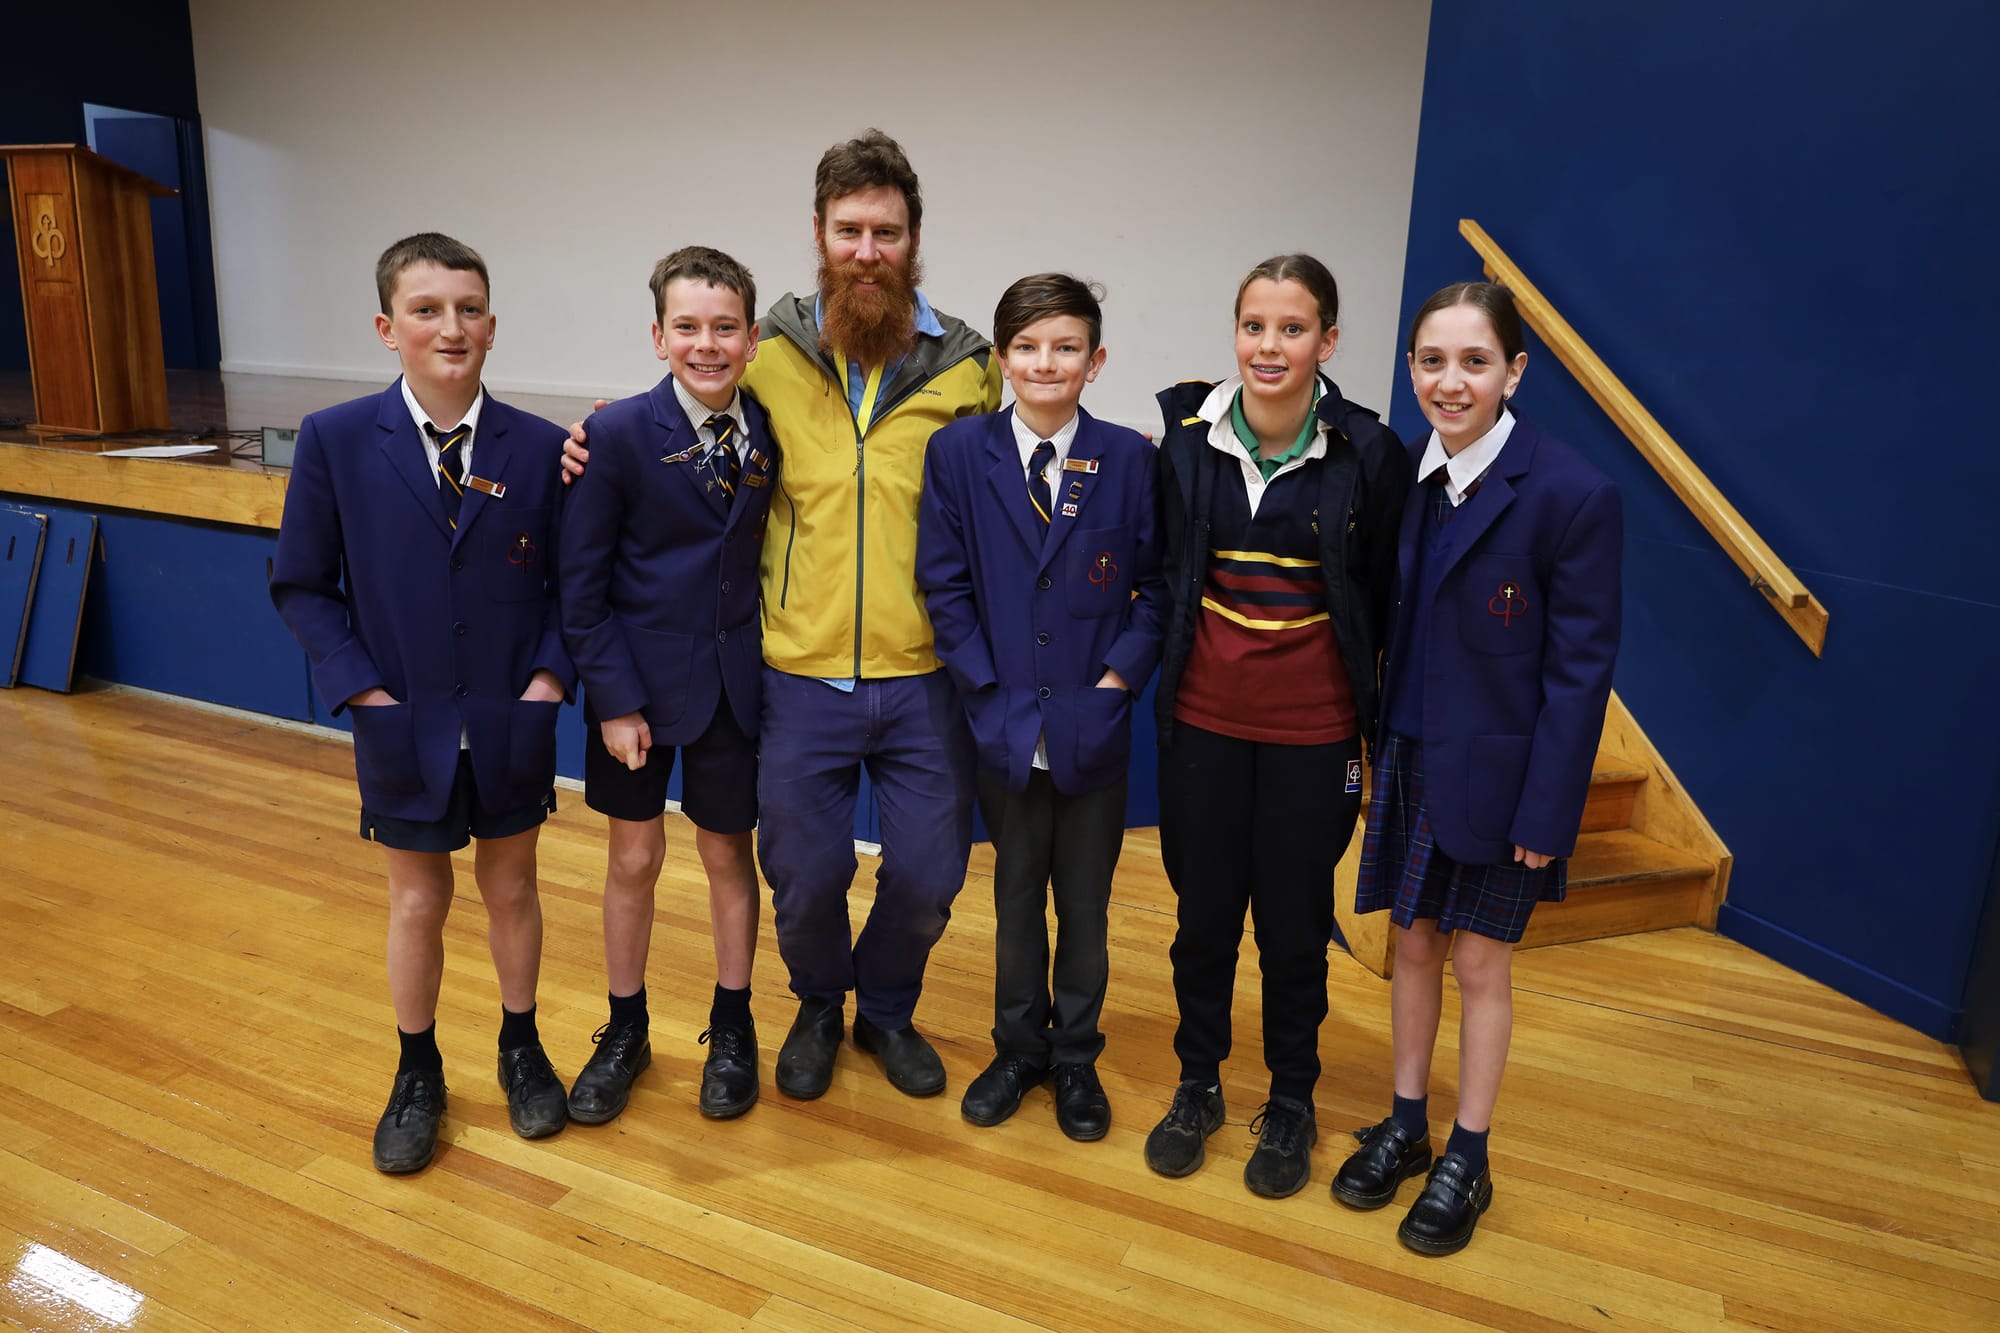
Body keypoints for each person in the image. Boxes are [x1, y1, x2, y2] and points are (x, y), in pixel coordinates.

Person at [563, 130, 1001, 1100]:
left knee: (928, 873)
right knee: (801, 874)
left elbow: (1011, 469)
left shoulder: (969, 365)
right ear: (819, 233)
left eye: (885, 231)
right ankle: (816, 1004)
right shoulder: (770, 351)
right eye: (848, 230)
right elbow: (685, 395)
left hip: (924, 671)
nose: (866, 250)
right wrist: (588, 436)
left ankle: (884, 1009)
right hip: (796, 670)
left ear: (913, 238)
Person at [270, 232, 574, 1173]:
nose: (452, 327)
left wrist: (549, 680)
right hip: (401, 718)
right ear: (386, 327)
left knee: (512, 887)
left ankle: (520, 1046)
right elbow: (302, 584)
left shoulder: (541, 448)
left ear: (493, 325)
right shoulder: (334, 440)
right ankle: (417, 1069)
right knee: (417, 898)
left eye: (469, 309)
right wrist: (363, 689)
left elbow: (573, 585)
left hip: (510, 717)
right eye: (427, 310)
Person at [1331, 280, 1621, 1255]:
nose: (1449, 382)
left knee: (1478, 963)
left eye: (1473, 362)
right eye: (1430, 361)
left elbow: (1579, 675)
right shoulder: (1411, 478)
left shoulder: (1572, 493)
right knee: (1410, 946)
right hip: (1412, 756)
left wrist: (1548, 812)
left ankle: (1468, 1152)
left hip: (1503, 780)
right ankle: (1407, 1121)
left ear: (1513, 372)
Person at [1144, 254, 1412, 1198]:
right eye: (1253, 326)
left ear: (1327, 341)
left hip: (1315, 734)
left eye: (1292, 329)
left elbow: (1379, 594)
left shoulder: (1370, 454)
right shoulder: (1186, 441)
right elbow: (1164, 575)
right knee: (1204, 919)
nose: (1269, 346)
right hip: (1203, 725)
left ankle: (1292, 1098)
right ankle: (1198, 1084)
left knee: (1295, 930)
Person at [916, 274, 1167, 1140]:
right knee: (1016, 893)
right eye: (1026, 346)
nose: (1045, 362)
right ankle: (1019, 1047)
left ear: (1095, 361)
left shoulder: (1130, 458)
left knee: (1085, 904)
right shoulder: (958, 454)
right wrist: (985, 692)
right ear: (1000, 359)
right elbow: (945, 586)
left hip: (1094, 724)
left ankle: (1077, 1057)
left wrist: (1117, 684)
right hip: (1002, 721)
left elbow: (1156, 590)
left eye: (1065, 347)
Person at [558, 246, 778, 1123]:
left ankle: (733, 1025)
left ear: (752, 339)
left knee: (728, 854)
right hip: (636, 695)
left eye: (725, 327)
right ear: (658, 337)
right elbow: (581, 587)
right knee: (634, 857)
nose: (706, 344)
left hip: (733, 687)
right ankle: (626, 1027)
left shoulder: (771, 431)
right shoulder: (612, 436)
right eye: (687, 327)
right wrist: (613, 700)